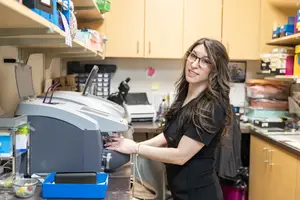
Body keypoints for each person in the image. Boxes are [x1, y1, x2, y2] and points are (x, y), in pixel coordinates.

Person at [105, 38, 233, 200]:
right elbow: (168, 135)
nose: (194, 64)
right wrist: (128, 146)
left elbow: (181, 155)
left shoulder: (212, 107)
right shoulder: (186, 96)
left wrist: (135, 148)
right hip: (180, 190)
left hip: (198, 193)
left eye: (205, 61)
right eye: (193, 56)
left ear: (215, 69)